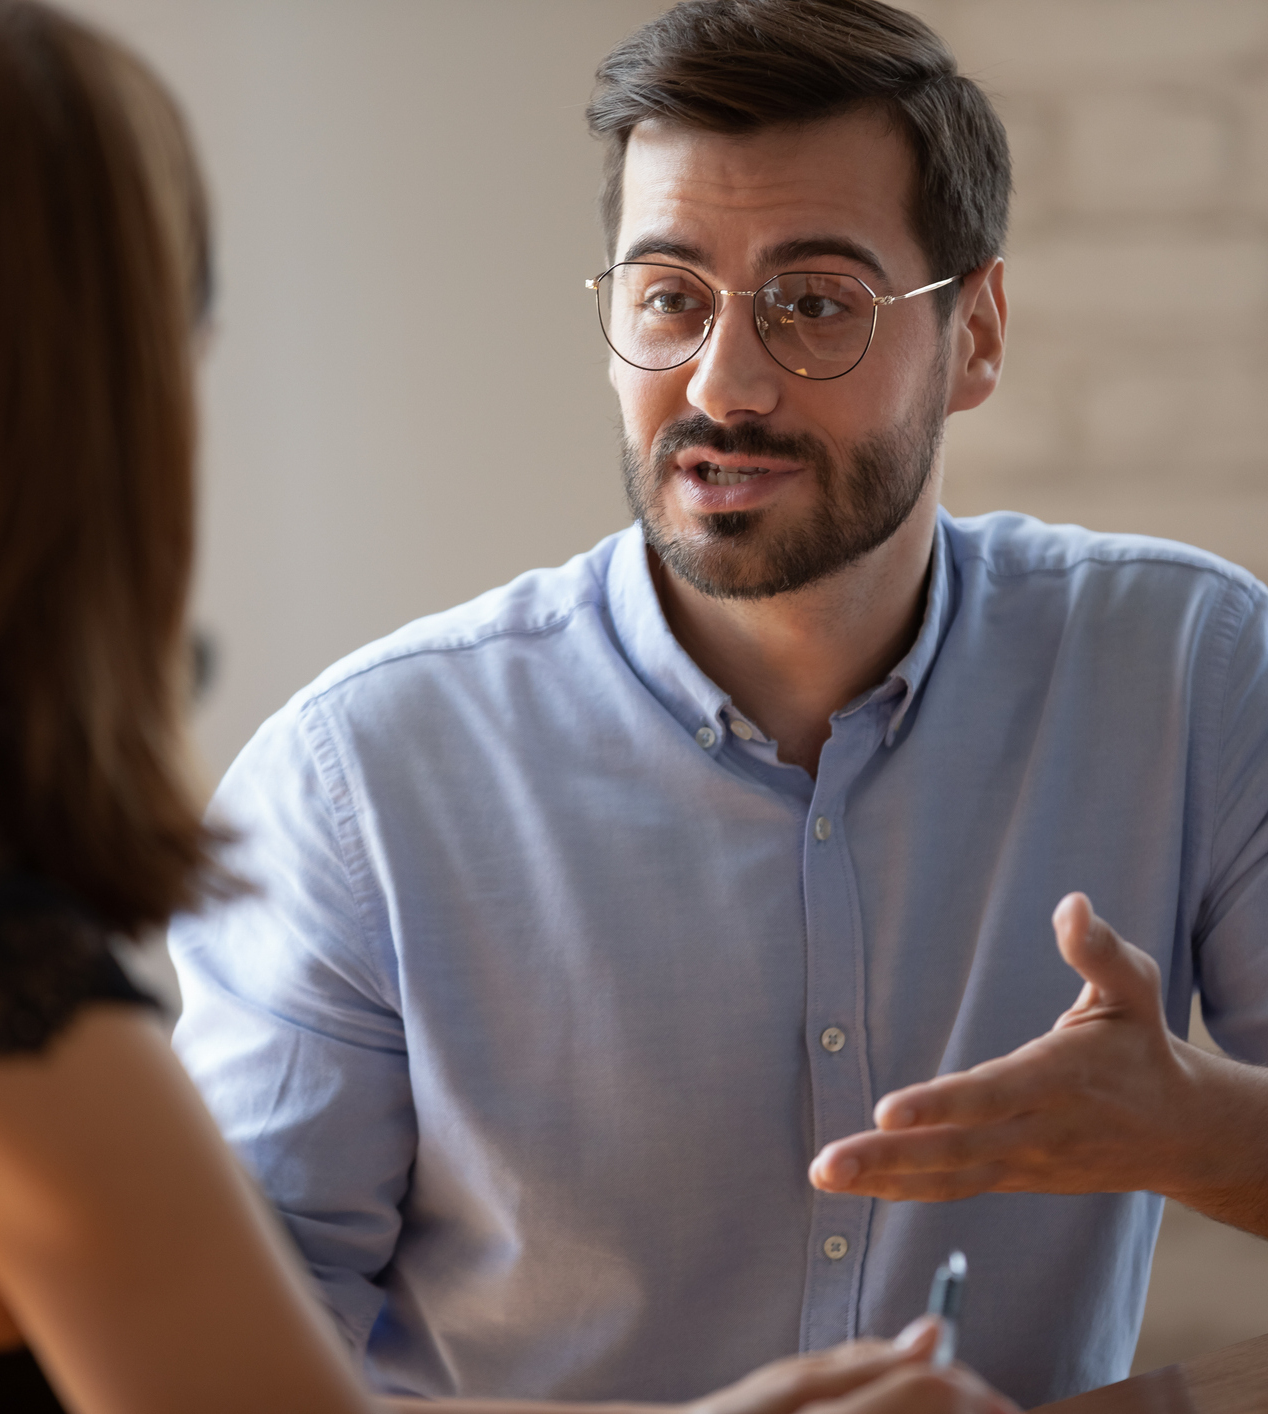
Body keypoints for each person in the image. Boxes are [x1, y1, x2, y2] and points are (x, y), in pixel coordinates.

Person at [0, 2, 1015, 1413]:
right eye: (182, 339)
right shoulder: (18, 1052)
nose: (728, 380)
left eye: (815, 303)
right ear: (99, 424)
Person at [171, 0, 1268, 1408]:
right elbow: (202, 1379)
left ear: (975, 336)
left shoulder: (1188, 669)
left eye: (813, 303)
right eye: (669, 297)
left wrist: (1196, 1129)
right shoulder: (356, 784)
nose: (723, 383)